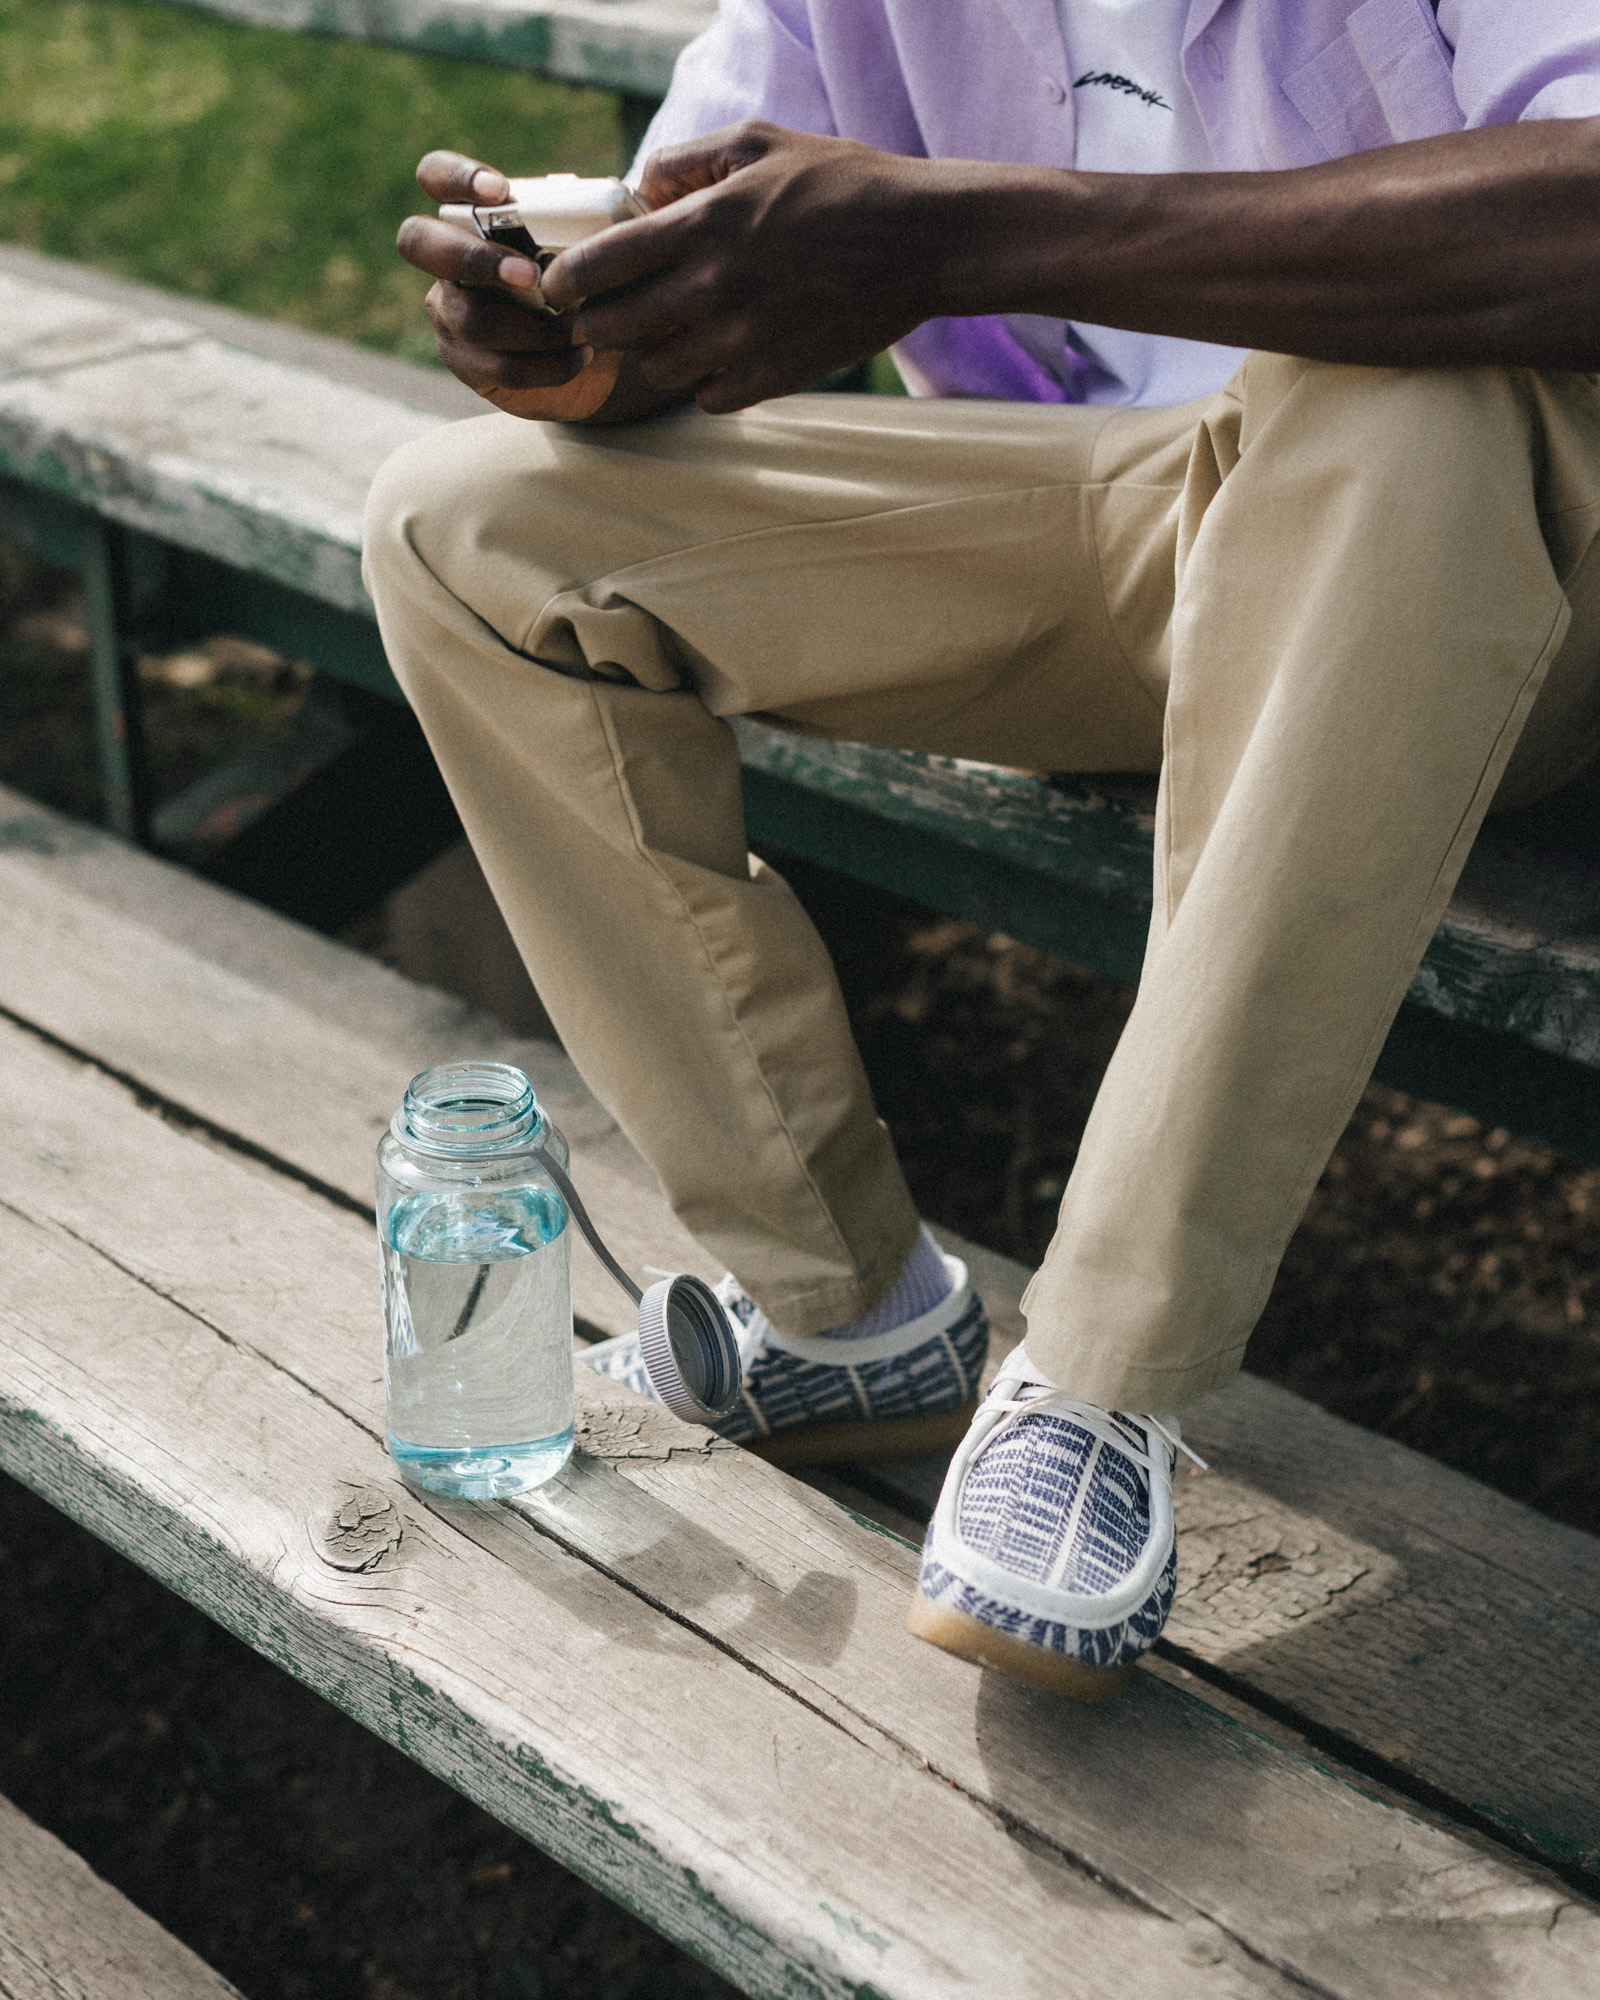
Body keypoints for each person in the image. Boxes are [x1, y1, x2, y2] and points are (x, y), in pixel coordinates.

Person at [363, 0, 1600, 1701]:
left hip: (1472, 542)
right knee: (463, 527)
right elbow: (707, 273)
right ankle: (845, 1308)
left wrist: (955, 233)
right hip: (1109, 504)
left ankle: (1101, 1381)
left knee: (1407, 413)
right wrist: (567, 326)